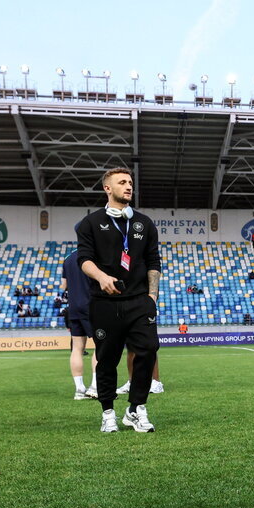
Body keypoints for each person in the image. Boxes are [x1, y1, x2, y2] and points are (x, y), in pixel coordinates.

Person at [76, 167, 161, 432]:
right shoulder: (90, 222)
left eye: (130, 183)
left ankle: (136, 409)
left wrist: (152, 296)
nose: (128, 186)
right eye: (122, 182)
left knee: (148, 350)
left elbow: (153, 261)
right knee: (107, 359)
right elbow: (84, 259)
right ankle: (108, 412)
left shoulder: (144, 223)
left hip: (139, 301)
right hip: (104, 302)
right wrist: (101, 277)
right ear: (107, 188)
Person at [62, 245, 98, 400]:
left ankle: (79, 389)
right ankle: (96, 386)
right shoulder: (94, 256)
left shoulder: (68, 259)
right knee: (101, 346)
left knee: (77, 348)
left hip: (74, 307)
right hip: (92, 305)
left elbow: (63, 286)